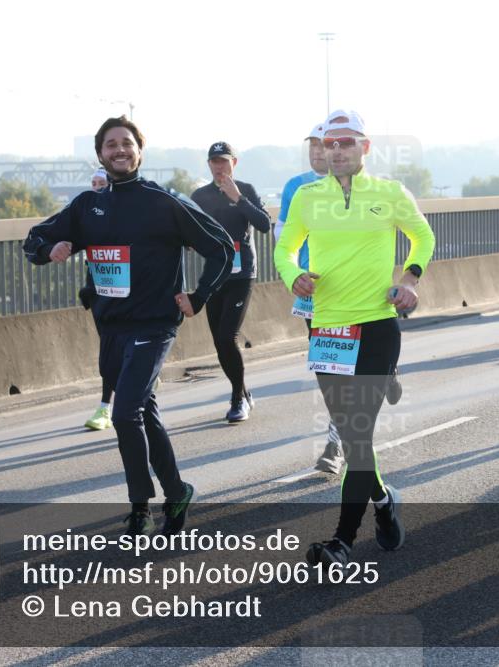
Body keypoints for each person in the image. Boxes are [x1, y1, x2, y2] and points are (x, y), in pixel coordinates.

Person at [24, 116, 235, 536]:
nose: (119, 150)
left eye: (127, 143)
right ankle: (177, 491)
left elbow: (222, 248)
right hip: (111, 327)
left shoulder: (164, 202)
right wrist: (52, 249)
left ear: (139, 151)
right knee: (144, 412)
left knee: (125, 414)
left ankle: (140, 506)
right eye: (110, 144)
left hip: (154, 325)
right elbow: (33, 240)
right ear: (100, 154)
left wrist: (199, 296)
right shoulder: (88, 205)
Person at [275, 109, 435, 567]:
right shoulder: (307, 197)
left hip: (377, 325)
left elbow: (423, 238)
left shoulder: (389, 192)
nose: (338, 150)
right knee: (352, 439)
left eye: (347, 142)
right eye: (330, 143)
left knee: (358, 432)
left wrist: (410, 279)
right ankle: (383, 501)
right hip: (327, 329)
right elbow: (284, 248)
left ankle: (342, 541)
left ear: (365, 147)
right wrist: (292, 275)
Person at [277, 123, 347, 474]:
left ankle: (384, 367)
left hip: (353, 289)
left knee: (355, 365)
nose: (317, 152)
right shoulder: (296, 187)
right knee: (328, 365)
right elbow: (282, 238)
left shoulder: (354, 184)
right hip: (313, 290)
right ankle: (337, 439)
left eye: (323, 145)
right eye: (312, 146)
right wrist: (294, 274)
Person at [191, 142, 271, 423]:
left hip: (242, 274)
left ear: (234, 163)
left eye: (224, 161)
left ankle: (237, 399)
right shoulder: (200, 196)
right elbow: (189, 230)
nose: (219, 166)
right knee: (220, 342)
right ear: (209, 165)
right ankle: (244, 393)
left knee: (228, 336)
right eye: (214, 161)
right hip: (215, 275)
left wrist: (238, 199)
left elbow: (264, 225)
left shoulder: (245, 189)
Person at [83, 169, 114, 431]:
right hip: (97, 290)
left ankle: (105, 408)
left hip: (124, 292)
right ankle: (146, 377)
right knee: (108, 347)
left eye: (101, 183)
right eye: (93, 183)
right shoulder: (86, 212)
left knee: (113, 349)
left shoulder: (125, 211)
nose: (96, 187)